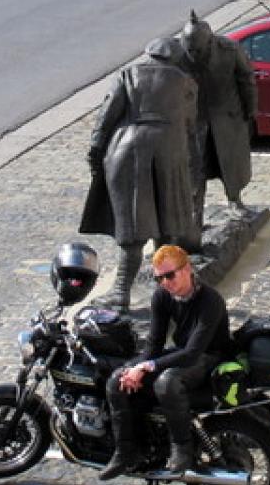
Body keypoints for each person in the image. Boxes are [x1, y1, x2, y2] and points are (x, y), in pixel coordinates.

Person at [79, 38, 200, 314]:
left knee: (134, 229)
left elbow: (106, 117)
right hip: (171, 153)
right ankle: (169, 293)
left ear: (149, 54)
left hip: (130, 151)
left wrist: (95, 152)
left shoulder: (128, 74)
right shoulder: (187, 83)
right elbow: (192, 128)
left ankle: (121, 292)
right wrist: (193, 166)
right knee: (168, 227)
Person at [99, 245, 234, 480]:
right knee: (116, 381)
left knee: (166, 382)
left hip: (210, 356)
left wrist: (148, 366)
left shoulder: (210, 301)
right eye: (158, 277)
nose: (165, 282)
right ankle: (127, 451)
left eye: (169, 275)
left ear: (187, 269)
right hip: (184, 352)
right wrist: (134, 369)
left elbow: (193, 352)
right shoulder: (162, 295)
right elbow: (154, 344)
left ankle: (182, 447)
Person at [177, 11, 256, 230]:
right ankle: (195, 214)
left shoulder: (230, 50)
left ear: (210, 41)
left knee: (231, 163)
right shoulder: (176, 53)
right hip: (194, 120)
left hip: (226, 117)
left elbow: (246, 79)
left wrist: (250, 110)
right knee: (195, 167)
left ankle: (235, 199)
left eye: (198, 49)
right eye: (189, 48)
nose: (193, 53)